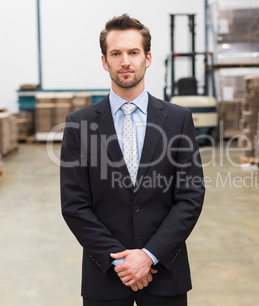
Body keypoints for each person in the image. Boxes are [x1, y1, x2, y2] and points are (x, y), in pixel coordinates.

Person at [60, 14, 205, 306]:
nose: (125, 61)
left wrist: (148, 256)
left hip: (165, 272)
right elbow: (74, 204)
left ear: (147, 58)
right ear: (105, 61)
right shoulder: (79, 124)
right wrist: (122, 263)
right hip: (106, 276)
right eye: (116, 53)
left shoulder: (178, 120)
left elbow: (190, 196)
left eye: (133, 52)